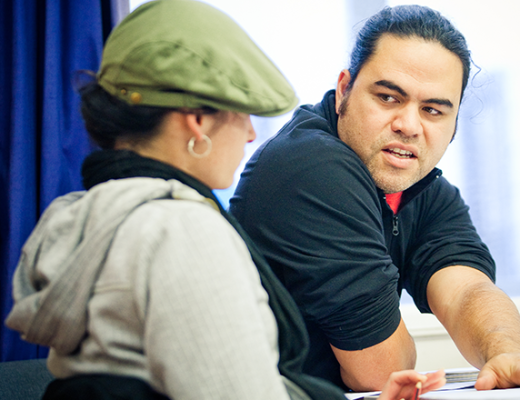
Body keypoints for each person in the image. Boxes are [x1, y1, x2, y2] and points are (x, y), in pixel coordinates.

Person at [4, 1, 446, 399]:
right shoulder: (184, 233)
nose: (251, 134)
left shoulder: (82, 215)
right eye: (241, 114)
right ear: (198, 122)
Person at [230, 4, 520, 393]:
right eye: (389, 97)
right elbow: (380, 373)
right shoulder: (311, 168)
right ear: (344, 90)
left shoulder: (420, 189)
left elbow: (465, 290)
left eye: (433, 110)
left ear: (454, 123)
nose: (409, 126)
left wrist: (506, 351)